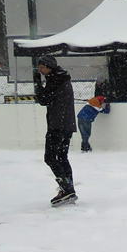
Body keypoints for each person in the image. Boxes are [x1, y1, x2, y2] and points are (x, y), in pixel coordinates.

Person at [34, 55, 78, 206]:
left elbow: (43, 99)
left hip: (58, 125)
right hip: (66, 124)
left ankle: (67, 189)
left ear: (49, 67)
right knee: (62, 157)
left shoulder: (56, 80)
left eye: (41, 67)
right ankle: (68, 188)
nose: (40, 70)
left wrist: (37, 84)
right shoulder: (62, 78)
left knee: (51, 157)